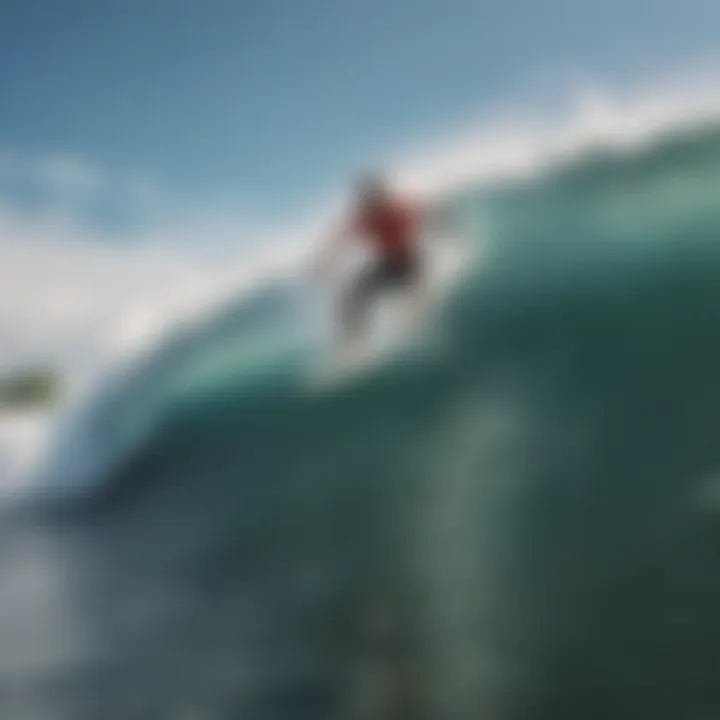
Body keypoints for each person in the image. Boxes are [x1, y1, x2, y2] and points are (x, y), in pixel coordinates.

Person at [318, 175, 431, 363]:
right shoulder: (365, 218)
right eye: (367, 201)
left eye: (375, 200)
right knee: (353, 295)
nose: (371, 206)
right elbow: (341, 238)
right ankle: (355, 342)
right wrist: (325, 262)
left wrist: (448, 230)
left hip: (410, 262)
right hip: (386, 264)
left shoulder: (398, 209)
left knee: (411, 300)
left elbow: (426, 216)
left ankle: (416, 328)